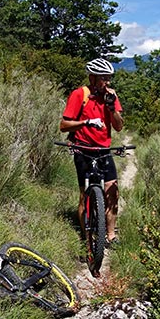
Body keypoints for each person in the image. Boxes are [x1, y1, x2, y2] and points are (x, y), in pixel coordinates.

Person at [58, 58, 124, 243]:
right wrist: (85, 123)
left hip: (104, 149)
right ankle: (86, 236)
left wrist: (112, 108)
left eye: (109, 77)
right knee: (84, 193)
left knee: (112, 192)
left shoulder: (111, 96)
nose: (108, 82)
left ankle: (110, 235)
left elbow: (119, 127)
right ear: (92, 77)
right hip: (83, 149)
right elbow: (64, 125)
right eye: (104, 78)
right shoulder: (80, 94)